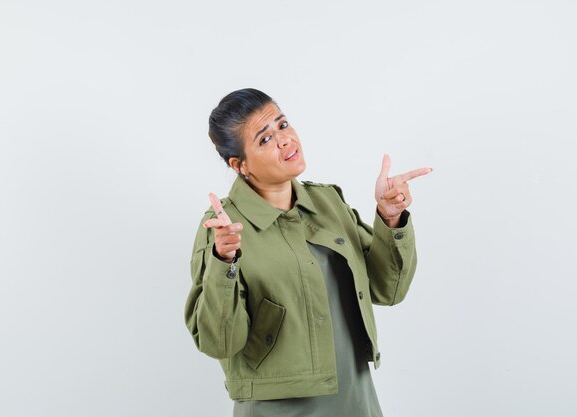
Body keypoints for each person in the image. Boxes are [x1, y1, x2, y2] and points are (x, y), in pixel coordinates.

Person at [184, 88, 432, 417]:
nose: (284, 140)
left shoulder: (328, 203)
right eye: (264, 139)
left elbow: (388, 290)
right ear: (240, 165)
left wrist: (390, 218)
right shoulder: (223, 229)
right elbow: (220, 342)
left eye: (283, 125)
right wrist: (223, 262)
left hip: (356, 401)